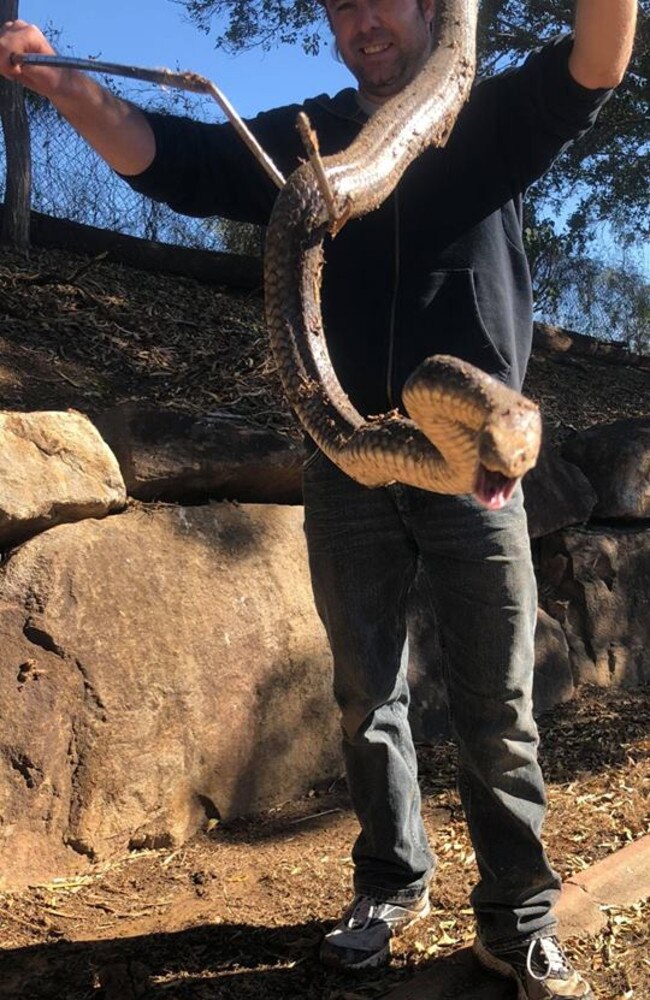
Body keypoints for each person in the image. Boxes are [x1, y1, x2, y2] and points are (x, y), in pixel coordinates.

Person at [0, 2, 637, 997]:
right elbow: (176, 161)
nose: (359, 20)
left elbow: (597, 59)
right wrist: (61, 83)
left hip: (474, 463)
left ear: (431, 8)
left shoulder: (487, 115)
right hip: (343, 459)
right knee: (364, 694)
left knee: (495, 703)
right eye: (339, 6)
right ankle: (389, 884)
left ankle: (515, 916)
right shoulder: (312, 140)